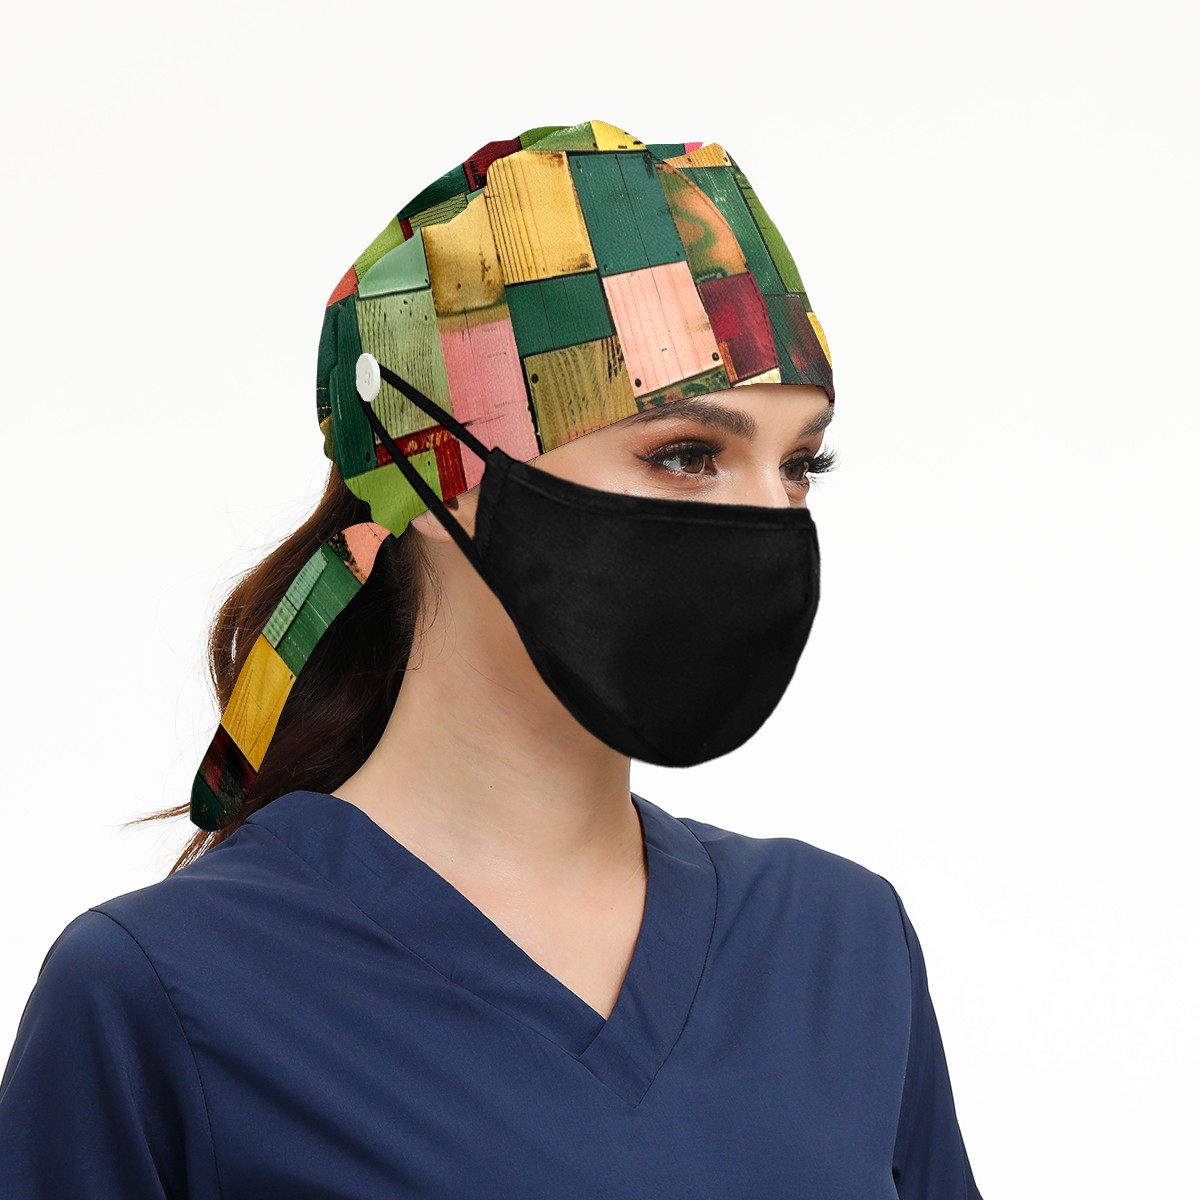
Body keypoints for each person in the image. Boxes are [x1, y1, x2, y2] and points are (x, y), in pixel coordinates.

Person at [0, 119, 984, 1198]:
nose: (771, 524)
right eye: (687, 455)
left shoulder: (840, 945)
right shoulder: (161, 993)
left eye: (800, 466)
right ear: (435, 474)